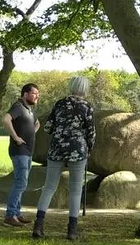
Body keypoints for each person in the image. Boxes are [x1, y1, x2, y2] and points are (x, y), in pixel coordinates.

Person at [33, 76, 95, 241]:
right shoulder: (87, 106)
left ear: (71, 86)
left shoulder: (60, 103)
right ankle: (72, 230)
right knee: (75, 190)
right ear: (85, 89)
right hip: (77, 150)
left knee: (49, 187)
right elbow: (91, 133)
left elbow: (48, 127)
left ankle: (38, 225)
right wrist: (89, 147)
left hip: (57, 148)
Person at [3, 83, 40, 227]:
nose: (37, 96)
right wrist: (16, 137)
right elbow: (6, 120)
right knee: (21, 183)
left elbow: (37, 123)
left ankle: (17, 214)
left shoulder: (29, 110)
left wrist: (31, 133)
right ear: (25, 94)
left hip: (28, 152)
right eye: (34, 93)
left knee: (21, 183)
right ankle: (10, 216)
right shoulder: (18, 106)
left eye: (38, 94)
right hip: (20, 151)